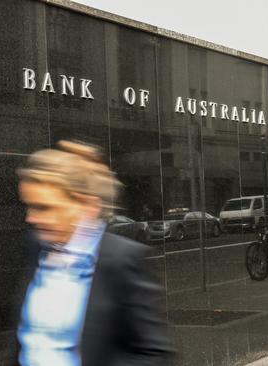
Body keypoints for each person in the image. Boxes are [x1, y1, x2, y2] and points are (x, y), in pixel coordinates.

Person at [16, 140, 172, 366]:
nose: (31, 218)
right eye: (29, 206)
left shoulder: (123, 260)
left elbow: (154, 354)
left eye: (44, 207)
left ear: (84, 205)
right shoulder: (35, 248)